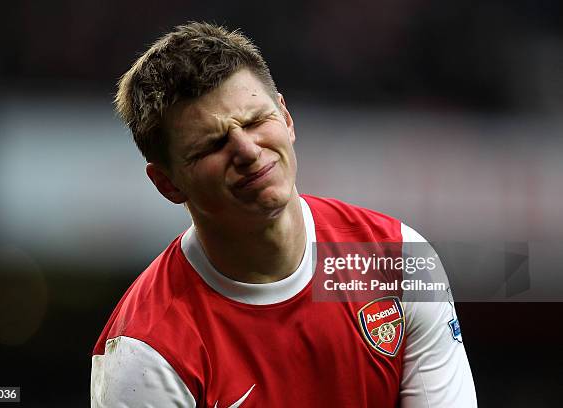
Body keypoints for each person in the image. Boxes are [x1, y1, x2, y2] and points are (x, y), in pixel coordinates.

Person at [91, 22, 477, 407]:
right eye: (213, 144)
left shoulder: (398, 258)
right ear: (167, 184)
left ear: (287, 119)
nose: (248, 150)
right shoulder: (144, 354)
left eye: (257, 121)